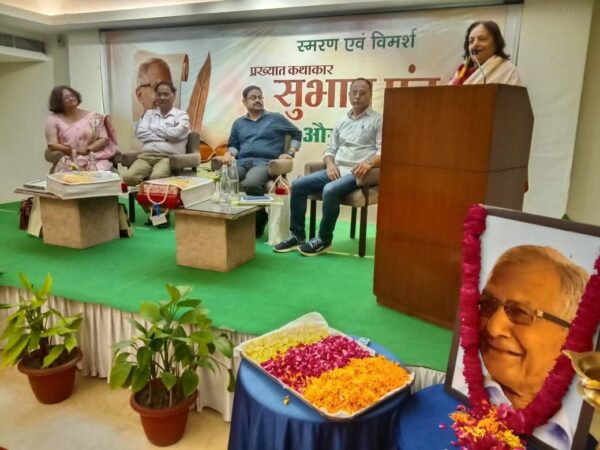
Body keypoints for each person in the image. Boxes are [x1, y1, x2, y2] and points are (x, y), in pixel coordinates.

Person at [478, 245, 588, 449]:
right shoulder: (455, 392)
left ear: (571, 335)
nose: (493, 328)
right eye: (486, 304)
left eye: (521, 312)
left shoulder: (575, 439)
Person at [274, 78, 382, 256]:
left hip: (358, 173)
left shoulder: (378, 120)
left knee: (330, 189)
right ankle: (297, 235)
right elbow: (330, 150)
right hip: (337, 169)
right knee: (298, 185)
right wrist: (330, 165)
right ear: (349, 94)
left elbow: (383, 150)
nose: (357, 96)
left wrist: (369, 163)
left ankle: (324, 239)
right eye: (354, 92)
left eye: (362, 93)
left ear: (370, 96)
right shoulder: (342, 121)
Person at [223, 85, 302, 237]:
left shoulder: (275, 118)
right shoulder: (238, 123)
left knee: (251, 183)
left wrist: (290, 153)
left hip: (264, 163)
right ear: (244, 102)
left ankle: (260, 218)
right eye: (253, 98)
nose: (258, 100)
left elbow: (297, 134)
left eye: (260, 97)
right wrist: (229, 153)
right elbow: (233, 145)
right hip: (241, 162)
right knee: (225, 179)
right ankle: (232, 220)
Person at [123, 81, 190, 186]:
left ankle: (158, 194)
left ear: (174, 96)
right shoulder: (149, 114)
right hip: (146, 156)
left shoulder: (181, 115)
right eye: (159, 94)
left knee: (156, 178)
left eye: (166, 94)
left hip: (168, 157)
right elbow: (141, 133)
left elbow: (175, 133)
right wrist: (165, 137)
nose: (162, 98)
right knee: (128, 178)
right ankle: (145, 196)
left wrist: (152, 128)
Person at [45, 85, 117, 172]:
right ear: (58, 102)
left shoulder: (94, 117)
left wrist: (87, 149)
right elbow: (52, 144)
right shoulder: (53, 119)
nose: (71, 98)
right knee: (70, 175)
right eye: (66, 98)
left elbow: (103, 139)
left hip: (94, 158)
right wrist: (71, 151)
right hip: (69, 159)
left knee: (100, 173)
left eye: (72, 95)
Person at [448, 20, 522, 86]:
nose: (475, 44)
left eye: (482, 39)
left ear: (496, 44)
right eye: (471, 41)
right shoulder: (461, 70)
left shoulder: (508, 71)